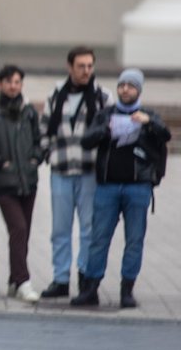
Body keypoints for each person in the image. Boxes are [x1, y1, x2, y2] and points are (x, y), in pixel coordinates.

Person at [72, 69, 172, 309]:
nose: (125, 89)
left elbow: (165, 135)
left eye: (131, 85)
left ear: (139, 90)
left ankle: (127, 290)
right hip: (108, 186)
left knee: (134, 239)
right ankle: (91, 288)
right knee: (99, 238)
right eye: (122, 85)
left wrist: (148, 124)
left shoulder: (149, 115)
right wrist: (105, 129)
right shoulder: (106, 114)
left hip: (138, 187)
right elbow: (86, 140)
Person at [38, 46, 111, 298]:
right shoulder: (56, 95)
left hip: (90, 171)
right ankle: (60, 278)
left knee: (89, 228)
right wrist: (48, 153)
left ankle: (84, 276)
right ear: (70, 67)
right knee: (60, 228)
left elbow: (110, 131)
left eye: (90, 66)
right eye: (81, 66)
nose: (86, 71)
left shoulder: (102, 97)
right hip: (60, 170)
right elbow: (44, 129)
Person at [0, 64, 43, 303]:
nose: (13, 86)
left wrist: (36, 158)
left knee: (22, 234)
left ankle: (15, 281)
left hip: (28, 180)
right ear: (0, 84)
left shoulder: (29, 112)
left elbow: (39, 140)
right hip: (4, 182)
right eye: (9, 82)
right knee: (19, 229)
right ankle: (24, 281)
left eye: (17, 82)